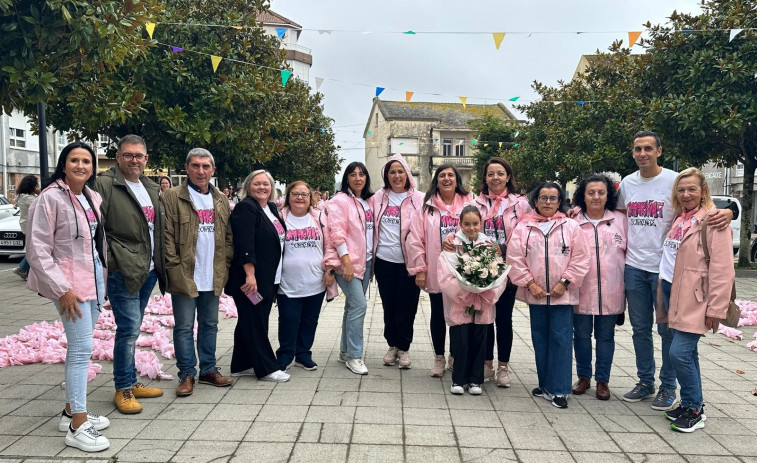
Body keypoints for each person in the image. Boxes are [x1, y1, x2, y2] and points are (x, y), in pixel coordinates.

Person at [616, 131, 733, 410]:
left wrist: (730, 212)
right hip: (634, 266)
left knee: (667, 331)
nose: (642, 153)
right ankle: (646, 381)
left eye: (648, 148)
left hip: (666, 271)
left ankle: (669, 387)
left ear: (659, 150)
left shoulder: (674, 180)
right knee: (640, 329)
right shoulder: (627, 184)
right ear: (632, 153)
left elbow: (702, 207)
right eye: (637, 149)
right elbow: (618, 214)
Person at [26, 142, 110, 451]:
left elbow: (95, 244)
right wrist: (61, 289)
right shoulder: (49, 199)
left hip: (93, 283)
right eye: (74, 160)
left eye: (86, 161)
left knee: (83, 350)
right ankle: (77, 425)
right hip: (69, 287)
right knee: (80, 350)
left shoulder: (92, 197)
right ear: (64, 164)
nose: (81, 165)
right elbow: (37, 250)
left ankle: (69, 411)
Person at [95, 134, 166, 414]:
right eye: (128, 155)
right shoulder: (104, 184)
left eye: (139, 155)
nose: (134, 160)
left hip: (147, 269)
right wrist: (113, 259)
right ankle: (123, 388)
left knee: (133, 329)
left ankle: (131, 381)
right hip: (123, 268)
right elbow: (97, 229)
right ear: (118, 157)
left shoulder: (149, 186)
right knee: (127, 330)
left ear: (146, 159)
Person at [659, 168, 734, 432]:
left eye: (692, 188)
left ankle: (695, 410)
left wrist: (717, 308)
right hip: (671, 292)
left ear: (703, 191)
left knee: (678, 353)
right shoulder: (680, 219)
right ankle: (690, 401)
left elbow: (724, 269)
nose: (686, 194)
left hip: (695, 298)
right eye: (681, 189)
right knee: (688, 353)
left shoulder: (713, 222)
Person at [507, 182, 590, 409]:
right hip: (537, 293)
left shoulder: (571, 226)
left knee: (561, 339)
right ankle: (545, 383)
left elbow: (581, 258)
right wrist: (529, 283)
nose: (548, 203)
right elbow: (515, 258)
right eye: (543, 198)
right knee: (540, 338)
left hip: (561, 295)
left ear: (560, 201)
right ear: (535, 201)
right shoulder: (524, 227)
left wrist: (565, 282)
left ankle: (560, 388)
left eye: (553, 198)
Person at [163, 148, 234, 397]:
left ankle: (208, 369)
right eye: (195, 166)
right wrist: (174, 270)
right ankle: (186, 373)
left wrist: (224, 267)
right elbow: (167, 237)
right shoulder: (172, 197)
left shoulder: (221, 200)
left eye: (206, 166)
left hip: (212, 273)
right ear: (187, 168)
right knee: (183, 327)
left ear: (213, 170)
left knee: (210, 324)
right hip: (185, 274)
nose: (200, 171)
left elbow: (227, 238)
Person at [406, 164, 473, 377]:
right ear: (437, 180)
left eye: (450, 175)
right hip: (436, 269)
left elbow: (476, 231)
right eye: (442, 175)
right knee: (437, 314)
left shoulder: (470, 203)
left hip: (462, 270)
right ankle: (439, 357)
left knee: (457, 313)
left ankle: (455, 354)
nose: (446, 178)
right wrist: (420, 269)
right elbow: (415, 239)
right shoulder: (426, 207)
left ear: (457, 180)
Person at [470, 157, 531, 386]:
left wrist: (505, 249)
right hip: (484, 269)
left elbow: (526, 234)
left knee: (504, 319)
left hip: (509, 269)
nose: (495, 178)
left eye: (500, 173)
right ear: (484, 178)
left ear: (508, 177)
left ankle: (503, 367)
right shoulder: (476, 204)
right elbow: (468, 231)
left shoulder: (520, 204)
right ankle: (486, 364)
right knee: (485, 318)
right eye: (490, 174)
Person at [225, 170, 290, 382]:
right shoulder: (246, 208)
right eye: (257, 184)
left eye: (266, 184)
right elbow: (245, 244)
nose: (262, 187)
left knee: (250, 319)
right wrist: (250, 275)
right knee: (256, 322)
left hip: (270, 276)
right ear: (248, 186)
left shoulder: (270, 207)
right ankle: (266, 368)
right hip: (251, 279)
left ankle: (240, 364)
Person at [438, 206, 506, 395]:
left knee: (480, 341)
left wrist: (486, 291)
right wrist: (465, 293)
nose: (471, 228)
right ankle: (458, 379)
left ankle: (476, 380)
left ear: (481, 224)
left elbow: (499, 273)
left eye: (475, 223)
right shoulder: (452, 245)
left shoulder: (489, 245)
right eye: (466, 224)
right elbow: (445, 275)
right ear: (460, 224)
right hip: (460, 303)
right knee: (461, 342)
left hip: (483, 303)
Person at [570, 174, 627, 401]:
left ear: (608, 195)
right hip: (581, 290)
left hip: (612, 290)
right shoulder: (573, 221)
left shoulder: (620, 221)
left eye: (601, 192)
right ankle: (584, 376)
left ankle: (603, 380)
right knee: (581, 335)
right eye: (590, 192)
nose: (596, 197)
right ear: (582, 196)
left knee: (606, 337)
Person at [370, 154, 424, 369]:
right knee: (388, 305)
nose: (396, 175)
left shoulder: (419, 198)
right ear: (386, 175)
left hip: (409, 263)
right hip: (384, 261)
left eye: (400, 171)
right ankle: (391, 344)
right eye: (392, 172)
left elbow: (424, 230)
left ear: (407, 174)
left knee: (407, 307)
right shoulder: (377, 198)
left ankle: (404, 347)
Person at [277, 181, 337, 371]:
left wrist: (330, 270)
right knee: (288, 320)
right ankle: (285, 355)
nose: (300, 197)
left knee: (310, 321)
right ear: (288, 197)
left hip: (315, 281)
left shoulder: (320, 218)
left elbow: (330, 245)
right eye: (295, 194)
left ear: (311, 198)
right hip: (288, 283)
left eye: (304, 194)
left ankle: (303, 354)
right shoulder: (279, 218)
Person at [324, 162, 374, 375]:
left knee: (352, 307)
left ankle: (345, 351)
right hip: (348, 262)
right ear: (346, 178)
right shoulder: (340, 201)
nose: (358, 178)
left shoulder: (367, 202)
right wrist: (345, 262)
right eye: (353, 175)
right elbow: (337, 232)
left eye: (362, 174)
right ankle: (354, 356)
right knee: (359, 306)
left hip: (367, 261)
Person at [12, 174, 40, 281]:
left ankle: (23, 269)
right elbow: (44, 203)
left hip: (29, 226)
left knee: (34, 249)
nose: (38, 187)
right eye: (37, 185)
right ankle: (22, 269)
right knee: (35, 250)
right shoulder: (27, 198)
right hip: (31, 226)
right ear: (32, 186)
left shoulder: (23, 196)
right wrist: (40, 193)